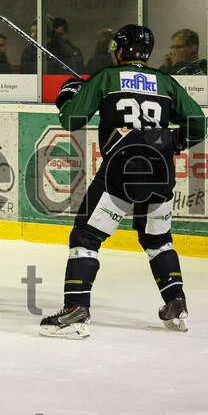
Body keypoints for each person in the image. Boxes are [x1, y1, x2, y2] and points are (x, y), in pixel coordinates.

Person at [40, 25, 207, 339]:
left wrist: (68, 94)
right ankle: (176, 304)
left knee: (86, 238)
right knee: (158, 240)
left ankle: (76, 310)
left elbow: (72, 120)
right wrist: (174, 144)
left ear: (119, 50)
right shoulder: (166, 81)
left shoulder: (106, 78)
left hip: (120, 173)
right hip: (161, 173)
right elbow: (199, 123)